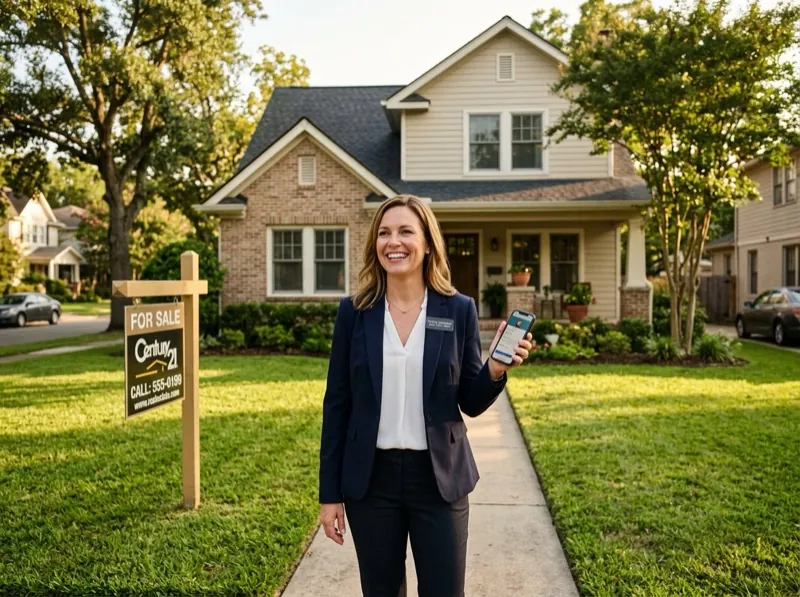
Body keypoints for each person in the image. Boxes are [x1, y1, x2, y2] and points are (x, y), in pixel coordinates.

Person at [318, 195, 533, 597]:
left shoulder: (458, 310)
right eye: (383, 233)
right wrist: (329, 495)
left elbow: (469, 399)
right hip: (371, 482)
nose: (392, 242)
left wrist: (496, 369)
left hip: (440, 481)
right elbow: (337, 406)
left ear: (428, 243)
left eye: (404, 231)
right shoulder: (355, 312)